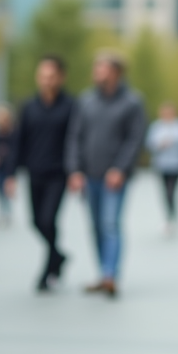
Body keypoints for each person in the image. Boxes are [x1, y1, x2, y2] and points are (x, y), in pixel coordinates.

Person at [65, 52, 146, 298]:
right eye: (96, 67)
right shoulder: (87, 100)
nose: (97, 72)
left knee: (110, 224)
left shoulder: (132, 102)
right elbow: (75, 137)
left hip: (115, 178)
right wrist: (75, 170)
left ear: (117, 73)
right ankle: (102, 273)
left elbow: (135, 139)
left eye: (102, 68)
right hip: (89, 175)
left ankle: (111, 275)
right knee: (96, 226)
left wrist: (120, 169)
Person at [4, 55, 76, 293]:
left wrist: (76, 171)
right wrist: (11, 174)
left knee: (48, 219)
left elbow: (76, 141)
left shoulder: (71, 106)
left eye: (51, 76)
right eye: (43, 76)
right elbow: (18, 142)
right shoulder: (28, 106)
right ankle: (58, 256)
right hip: (34, 172)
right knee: (35, 222)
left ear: (61, 77)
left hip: (59, 173)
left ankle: (47, 271)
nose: (46, 81)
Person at [145, 102, 178, 235]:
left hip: (177, 165)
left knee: (172, 191)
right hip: (161, 165)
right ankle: (170, 217)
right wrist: (160, 144)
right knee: (165, 192)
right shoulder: (156, 126)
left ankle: (172, 217)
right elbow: (149, 144)